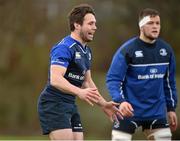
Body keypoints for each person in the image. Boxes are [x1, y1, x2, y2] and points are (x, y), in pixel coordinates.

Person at [38, 4, 122, 140]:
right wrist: (79, 92)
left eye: (95, 23)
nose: (95, 27)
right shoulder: (64, 47)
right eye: (90, 23)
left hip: (70, 103)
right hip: (53, 103)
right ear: (77, 25)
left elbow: (87, 81)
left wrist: (103, 104)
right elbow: (55, 79)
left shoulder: (86, 51)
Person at [106, 8, 178, 141]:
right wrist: (121, 102)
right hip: (128, 112)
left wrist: (171, 108)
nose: (155, 26)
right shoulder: (127, 50)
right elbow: (113, 79)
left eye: (157, 23)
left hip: (156, 113)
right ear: (141, 26)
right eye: (150, 23)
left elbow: (169, 83)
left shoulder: (166, 51)